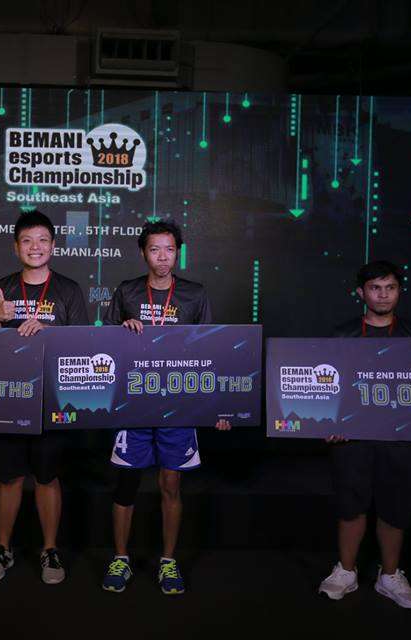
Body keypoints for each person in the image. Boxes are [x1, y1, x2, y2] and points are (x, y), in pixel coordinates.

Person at [100, 220, 231, 596]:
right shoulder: (127, 291)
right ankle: (121, 558)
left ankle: (168, 561)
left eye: (169, 249)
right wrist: (122, 327)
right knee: (126, 483)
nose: (162, 257)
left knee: (171, 483)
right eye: (154, 249)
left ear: (178, 253)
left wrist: (218, 408)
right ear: (143, 252)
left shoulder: (194, 294)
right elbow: (104, 343)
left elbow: (209, 351)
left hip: (178, 404)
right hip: (134, 402)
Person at [318, 260, 411, 609]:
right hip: (351, 437)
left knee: (396, 507)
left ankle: (389, 576)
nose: (383, 295)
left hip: (403, 438)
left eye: (390, 288)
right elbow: (326, 387)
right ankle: (346, 571)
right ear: (361, 293)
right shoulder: (341, 335)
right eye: (375, 288)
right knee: (350, 507)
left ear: (399, 292)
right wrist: (327, 422)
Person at [0, 210, 89, 585]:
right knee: (8, 477)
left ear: (53, 246)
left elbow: (82, 347)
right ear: (16, 247)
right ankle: (2, 548)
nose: (35, 247)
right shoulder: (1, 287)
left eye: (42, 240)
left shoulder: (69, 290)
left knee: (47, 477)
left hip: (50, 400)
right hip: (10, 397)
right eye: (27, 241)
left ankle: (50, 550)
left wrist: (48, 332)